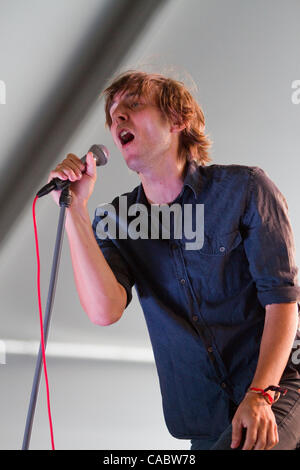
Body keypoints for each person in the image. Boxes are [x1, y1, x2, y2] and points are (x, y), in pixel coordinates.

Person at [49, 70, 300, 450]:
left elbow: (282, 301)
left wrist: (261, 394)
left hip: (277, 389)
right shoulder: (118, 220)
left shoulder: (244, 189)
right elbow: (104, 311)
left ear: (178, 120)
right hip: (207, 420)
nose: (118, 118)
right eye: (114, 114)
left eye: (133, 106)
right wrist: (76, 210)